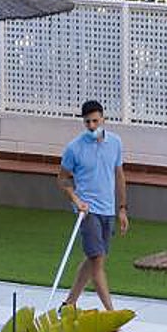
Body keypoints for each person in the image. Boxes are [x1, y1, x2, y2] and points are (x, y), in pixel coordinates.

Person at [57, 100, 129, 311]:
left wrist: (122, 208)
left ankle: (69, 303)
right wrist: (76, 199)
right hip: (87, 211)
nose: (91, 126)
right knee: (97, 260)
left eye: (95, 121)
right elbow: (61, 179)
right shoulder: (74, 148)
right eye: (87, 122)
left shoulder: (115, 143)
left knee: (93, 259)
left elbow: (119, 175)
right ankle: (110, 312)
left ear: (103, 119)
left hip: (108, 209)